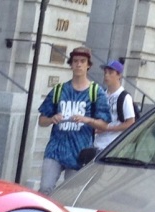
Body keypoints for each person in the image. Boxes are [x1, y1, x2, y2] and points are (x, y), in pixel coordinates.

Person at [36, 45, 110, 194]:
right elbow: (41, 120)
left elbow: (104, 124)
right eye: (75, 61)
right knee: (45, 188)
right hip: (55, 149)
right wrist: (52, 119)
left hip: (79, 152)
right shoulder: (59, 90)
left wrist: (87, 120)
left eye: (83, 61)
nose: (78, 64)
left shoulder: (96, 92)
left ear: (88, 65)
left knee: (71, 194)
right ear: (71, 64)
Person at [93, 60, 136, 152]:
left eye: (110, 72)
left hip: (112, 146)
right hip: (97, 143)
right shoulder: (101, 95)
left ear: (119, 75)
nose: (106, 75)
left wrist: (108, 128)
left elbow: (131, 123)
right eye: (105, 72)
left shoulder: (124, 97)